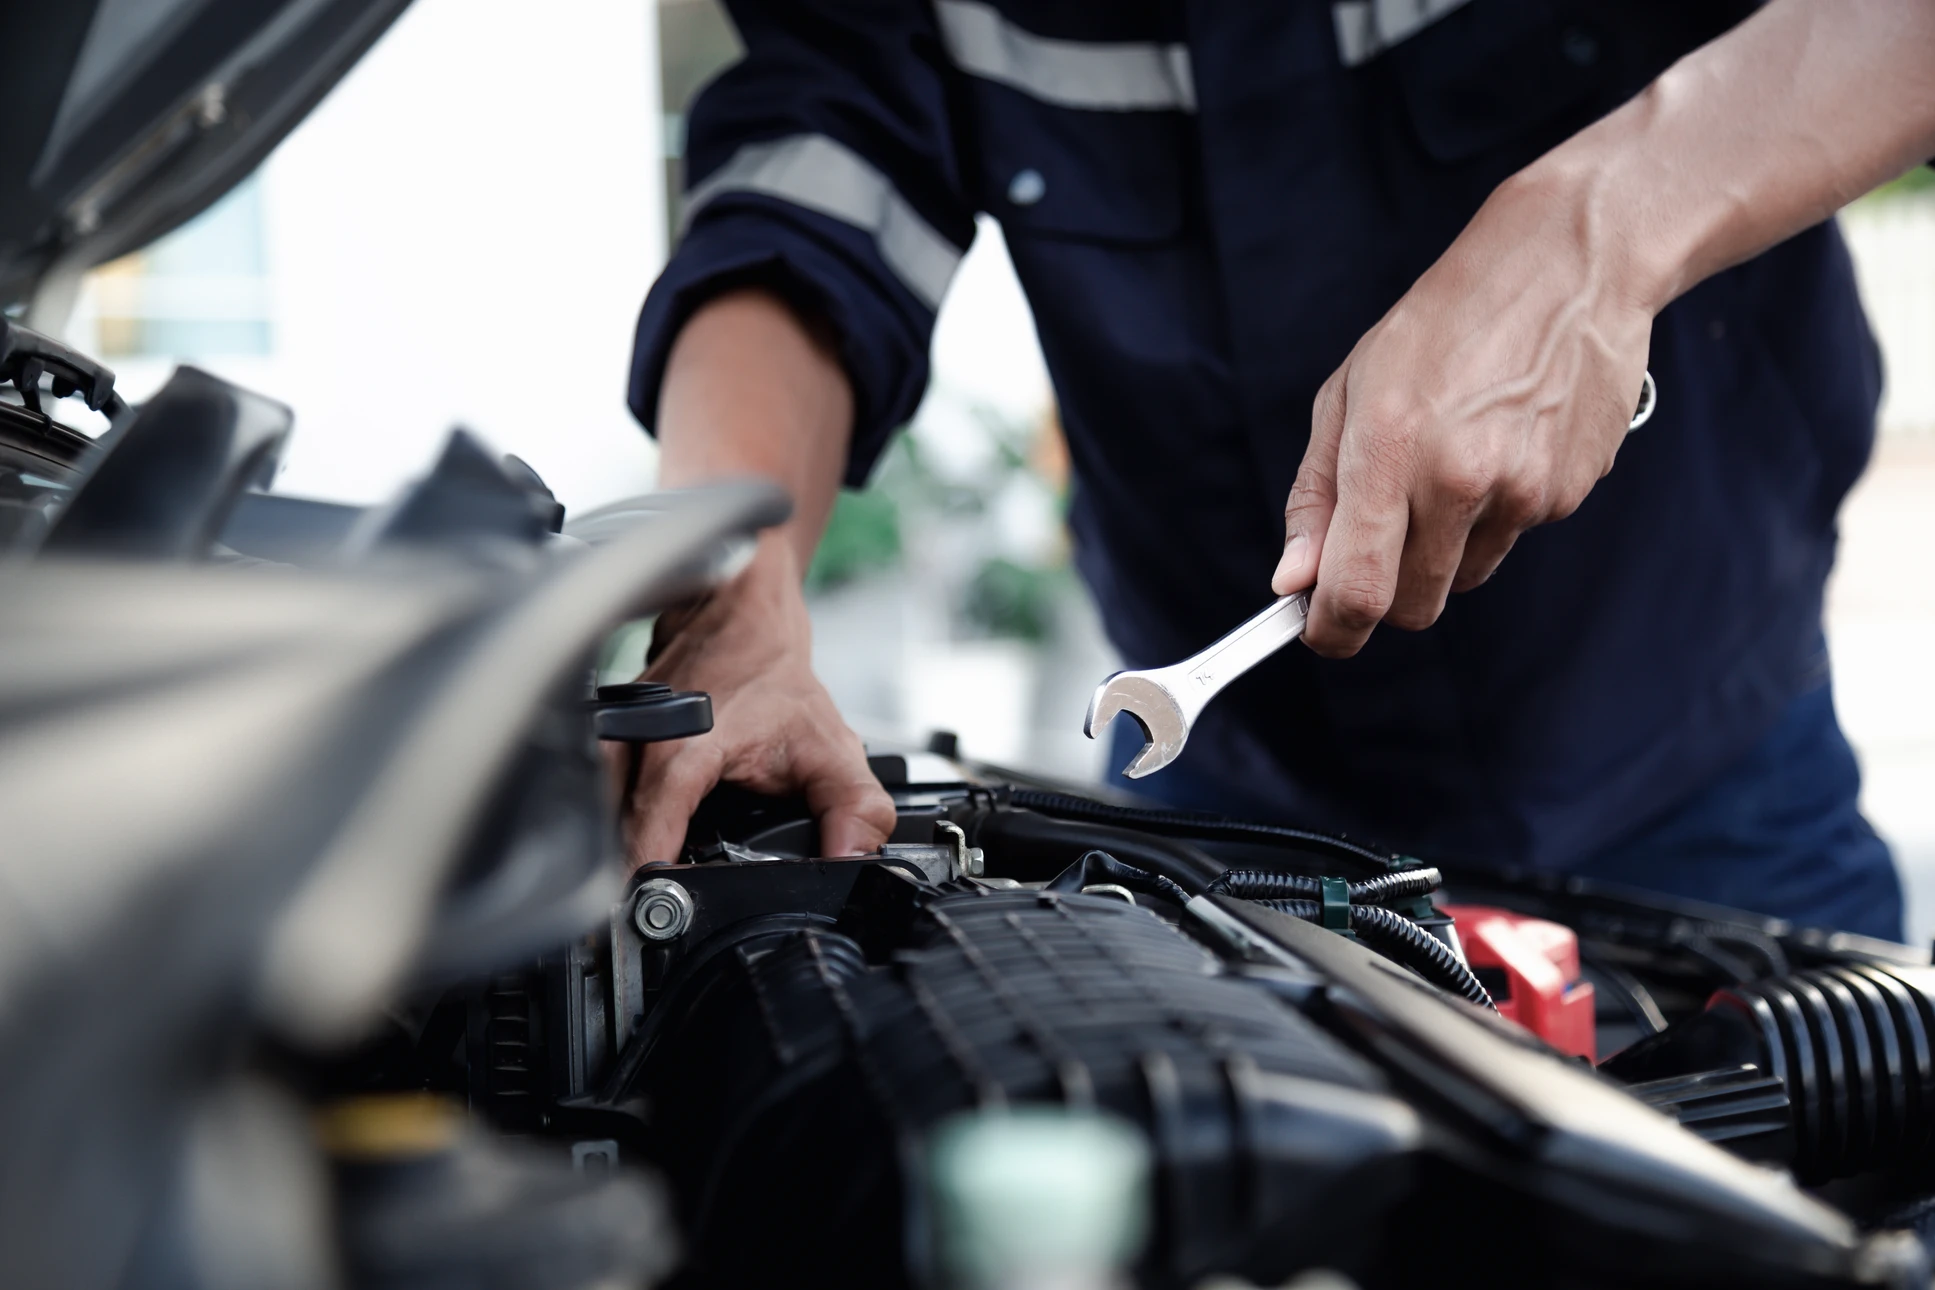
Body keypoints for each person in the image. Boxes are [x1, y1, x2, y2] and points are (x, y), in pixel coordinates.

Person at [620, 0, 1935, 941]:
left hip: (1709, 771)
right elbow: (817, 161)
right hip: (1231, 818)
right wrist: (731, 574)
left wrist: (1606, 224)